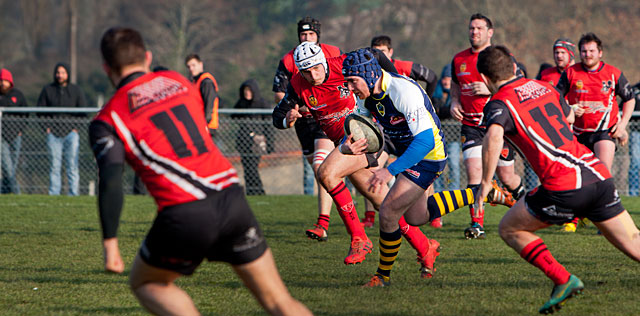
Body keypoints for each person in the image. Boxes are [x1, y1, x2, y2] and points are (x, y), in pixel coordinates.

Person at [91, 27, 311, 316]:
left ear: (106, 68)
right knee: (279, 302)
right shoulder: (178, 80)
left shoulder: (108, 118)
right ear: (147, 56)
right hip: (232, 198)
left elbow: (110, 180)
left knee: (145, 281)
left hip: (185, 211)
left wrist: (110, 245)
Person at [474, 45, 640, 314]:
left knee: (509, 228)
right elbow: (567, 115)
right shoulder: (544, 86)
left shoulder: (500, 102)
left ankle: (563, 279)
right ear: (514, 67)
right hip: (598, 174)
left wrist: (485, 182)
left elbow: (493, 136)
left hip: (564, 185)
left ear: (484, 78)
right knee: (634, 241)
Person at [340, 48, 514, 287]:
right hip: (410, 152)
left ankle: (382, 276)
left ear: (369, 75)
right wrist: (345, 147)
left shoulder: (402, 91)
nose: (349, 87)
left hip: (429, 154)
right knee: (416, 216)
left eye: (352, 81)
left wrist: (388, 170)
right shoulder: (366, 95)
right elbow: (357, 129)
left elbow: (425, 142)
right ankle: (482, 193)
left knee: (389, 212)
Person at [450, 13, 524, 239]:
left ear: (490, 32)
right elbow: (455, 85)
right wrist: (453, 101)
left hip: (498, 125)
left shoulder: (501, 57)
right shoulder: (459, 59)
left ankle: (525, 204)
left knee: (507, 176)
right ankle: (477, 224)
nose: (475, 32)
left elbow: (519, 81)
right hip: (471, 125)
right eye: (472, 28)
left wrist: (490, 89)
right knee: (474, 174)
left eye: (480, 28)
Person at [272, 16, 341, 242]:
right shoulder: (289, 59)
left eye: (311, 34)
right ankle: (343, 203)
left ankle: (323, 222)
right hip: (302, 121)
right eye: (303, 35)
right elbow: (280, 93)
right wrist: (292, 109)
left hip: (327, 116)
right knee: (320, 172)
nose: (307, 38)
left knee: (323, 166)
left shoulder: (332, 52)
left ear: (318, 36)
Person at [556, 32, 636, 171]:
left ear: (600, 53)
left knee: (602, 173)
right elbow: (556, 98)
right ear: (579, 53)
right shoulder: (571, 73)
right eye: (584, 51)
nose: (588, 55)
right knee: (581, 176)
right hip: (578, 133)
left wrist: (622, 126)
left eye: (591, 51)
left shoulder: (613, 73)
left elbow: (630, 99)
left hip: (604, 132)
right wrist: (570, 109)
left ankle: (608, 192)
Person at [537, 39, 581, 232]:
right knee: (552, 173)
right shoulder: (546, 74)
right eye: (556, 52)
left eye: (563, 52)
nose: (558, 55)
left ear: (571, 54)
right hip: (551, 131)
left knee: (575, 174)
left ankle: (575, 218)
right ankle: (557, 212)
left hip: (577, 130)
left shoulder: (578, 73)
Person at [37, 62, 87, 196]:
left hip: (71, 134)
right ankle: (54, 194)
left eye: (63, 73)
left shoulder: (76, 90)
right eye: (58, 73)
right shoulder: (48, 89)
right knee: (55, 166)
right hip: (53, 134)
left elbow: (83, 112)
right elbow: (40, 110)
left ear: (68, 74)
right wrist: (46, 127)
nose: (60, 75)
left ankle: (73, 193)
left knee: (72, 165)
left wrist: (76, 128)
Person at [430, 63, 461, 228]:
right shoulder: (437, 92)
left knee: (454, 165)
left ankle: (454, 194)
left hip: (454, 136)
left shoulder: (456, 94)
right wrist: (447, 110)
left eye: (449, 78)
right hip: (439, 137)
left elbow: (453, 112)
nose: (446, 81)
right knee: (439, 166)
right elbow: (436, 110)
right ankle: (440, 192)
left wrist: (447, 110)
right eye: (445, 78)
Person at [233, 79, 271, 195]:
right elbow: (234, 116)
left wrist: (269, 143)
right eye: (245, 90)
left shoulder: (262, 103)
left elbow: (268, 126)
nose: (247, 93)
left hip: (256, 143)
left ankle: (259, 191)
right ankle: (251, 191)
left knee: (252, 168)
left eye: (249, 90)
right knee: (246, 169)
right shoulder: (242, 103)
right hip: (244, 142)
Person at [370, 35, 438, 97]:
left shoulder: (404, 67)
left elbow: (432, 77)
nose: (379, 55)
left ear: (390, 52)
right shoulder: (368, 70)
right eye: (375, 51)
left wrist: (426, 101)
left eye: (382, 51)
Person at [0, 68, 27, 194]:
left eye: (5, 80)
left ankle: (5, 192)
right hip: (1, 137)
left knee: (13, 168)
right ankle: (17, 193)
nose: (2, 83)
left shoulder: (18, 95)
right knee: (7, 168)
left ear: (10, 82)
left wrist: (20, 129)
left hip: (16, 135)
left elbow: (26, 114)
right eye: (1, 80)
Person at [185, 53, 220, 138]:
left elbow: (209, 104)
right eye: (189, 66)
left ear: (200, 64)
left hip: (206, 126)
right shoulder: (194, 82)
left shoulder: (206, 82)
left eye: (193, 65)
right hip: (197, 124)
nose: (191, 69)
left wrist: (205, 123)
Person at [629, 82, 640, 196]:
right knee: (635, 163)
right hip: (636, 132)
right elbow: (625, 105)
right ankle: (633, 193)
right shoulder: (634, 90)